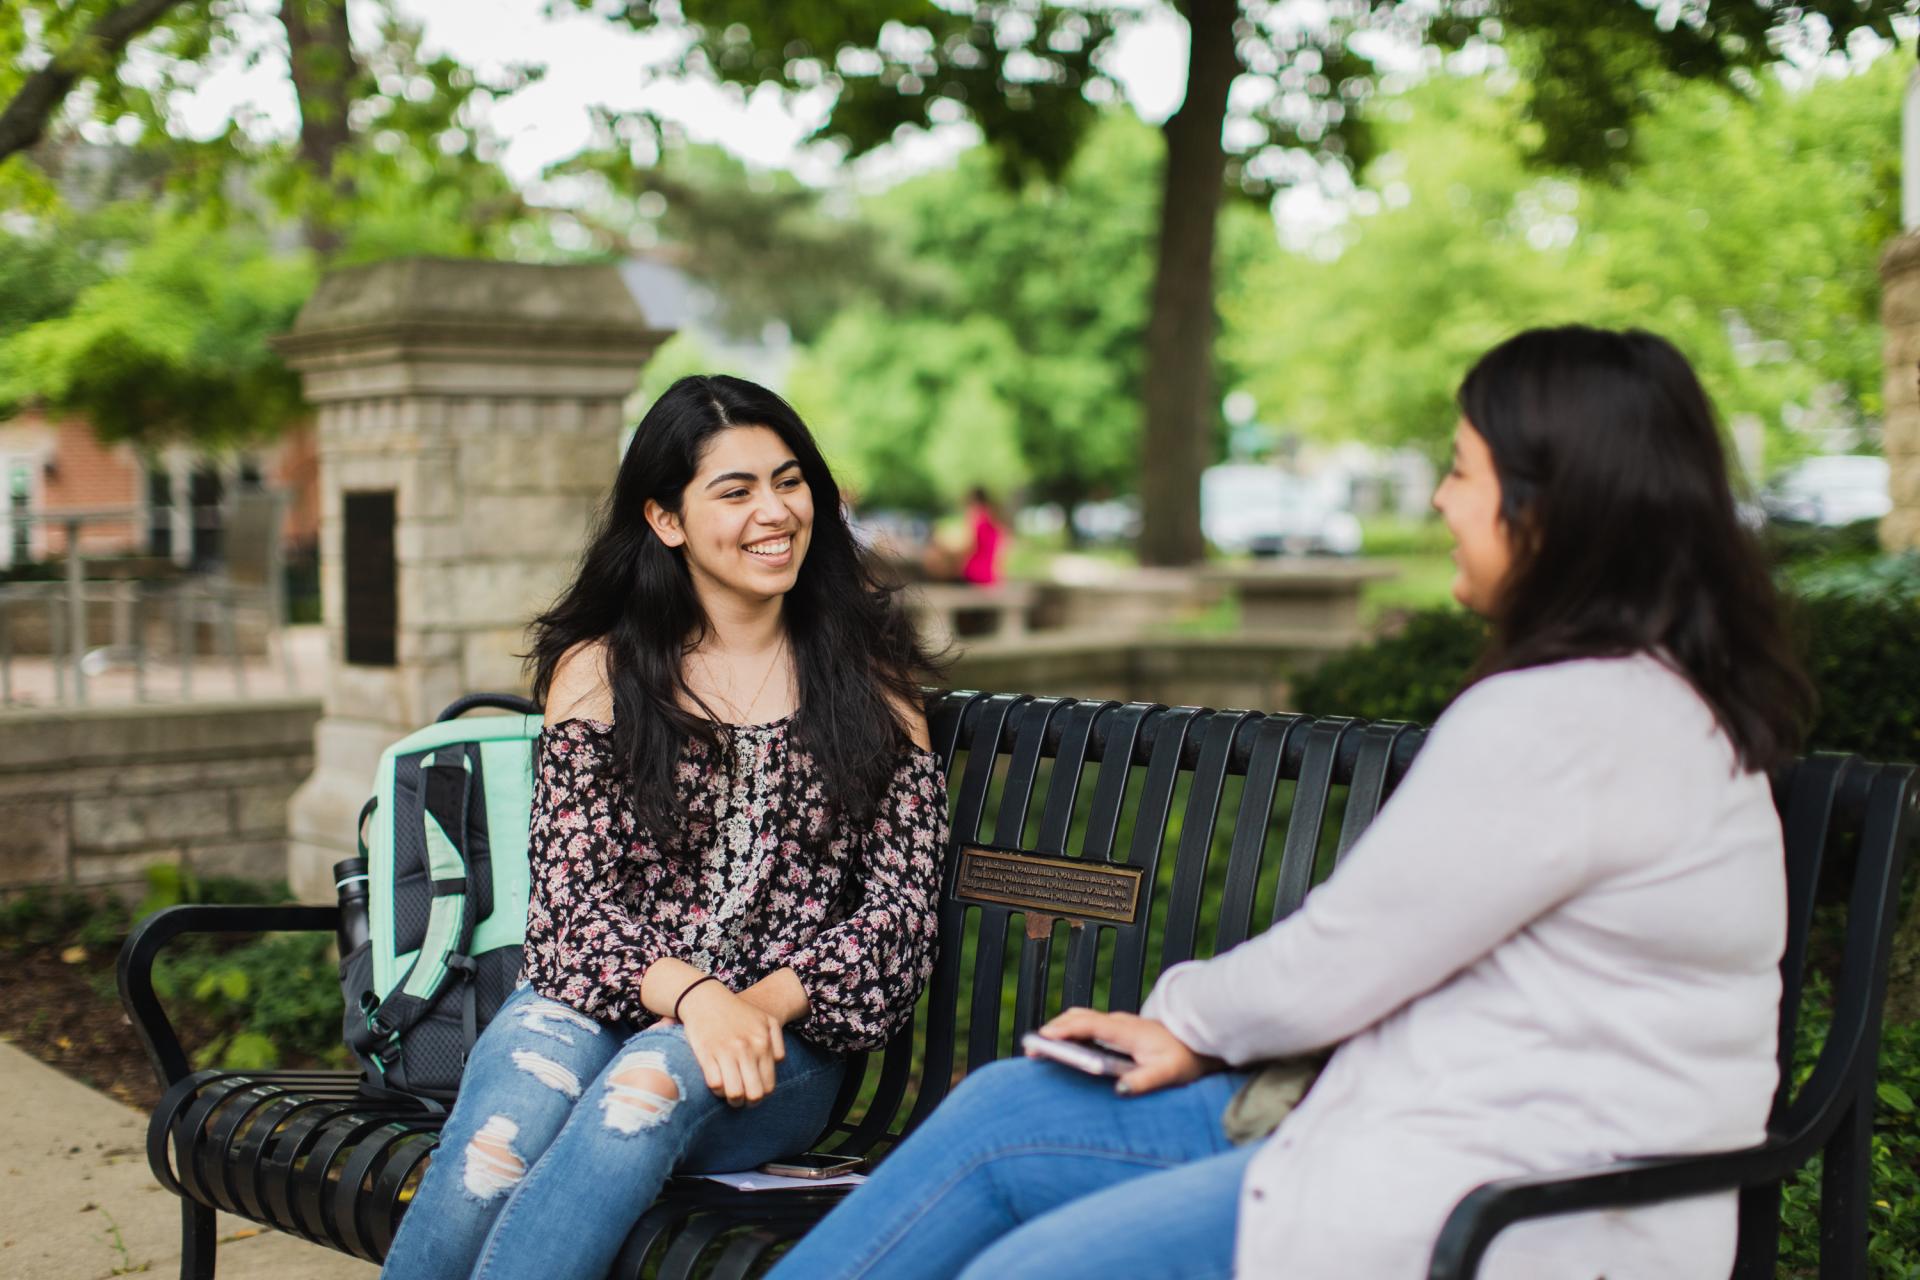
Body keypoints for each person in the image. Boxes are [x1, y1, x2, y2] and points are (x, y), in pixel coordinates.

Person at [767, 326, 1814, 1280]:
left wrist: (1183, 1018)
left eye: (1461, 469)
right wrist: (1196, 1029)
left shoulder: (1571, 717)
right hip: (1414, 1119)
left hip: (1507, 1196)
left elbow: (1346, 956)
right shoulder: (1646, 691)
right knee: (1009, 1110)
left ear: (1551, 507)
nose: (1444, 500)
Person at [381, 375, 951, 1280]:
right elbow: (568, 910)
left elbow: (897, 922)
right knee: (500, 1139)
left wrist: (752, 1007)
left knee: (643, 1088)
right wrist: (695, 995)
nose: (775, 511)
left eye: (789, 480)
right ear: (666, 520)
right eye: (735, 490)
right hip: (600, 1001)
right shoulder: (602, 674)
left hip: (778, 1050)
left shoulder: (871, 686)